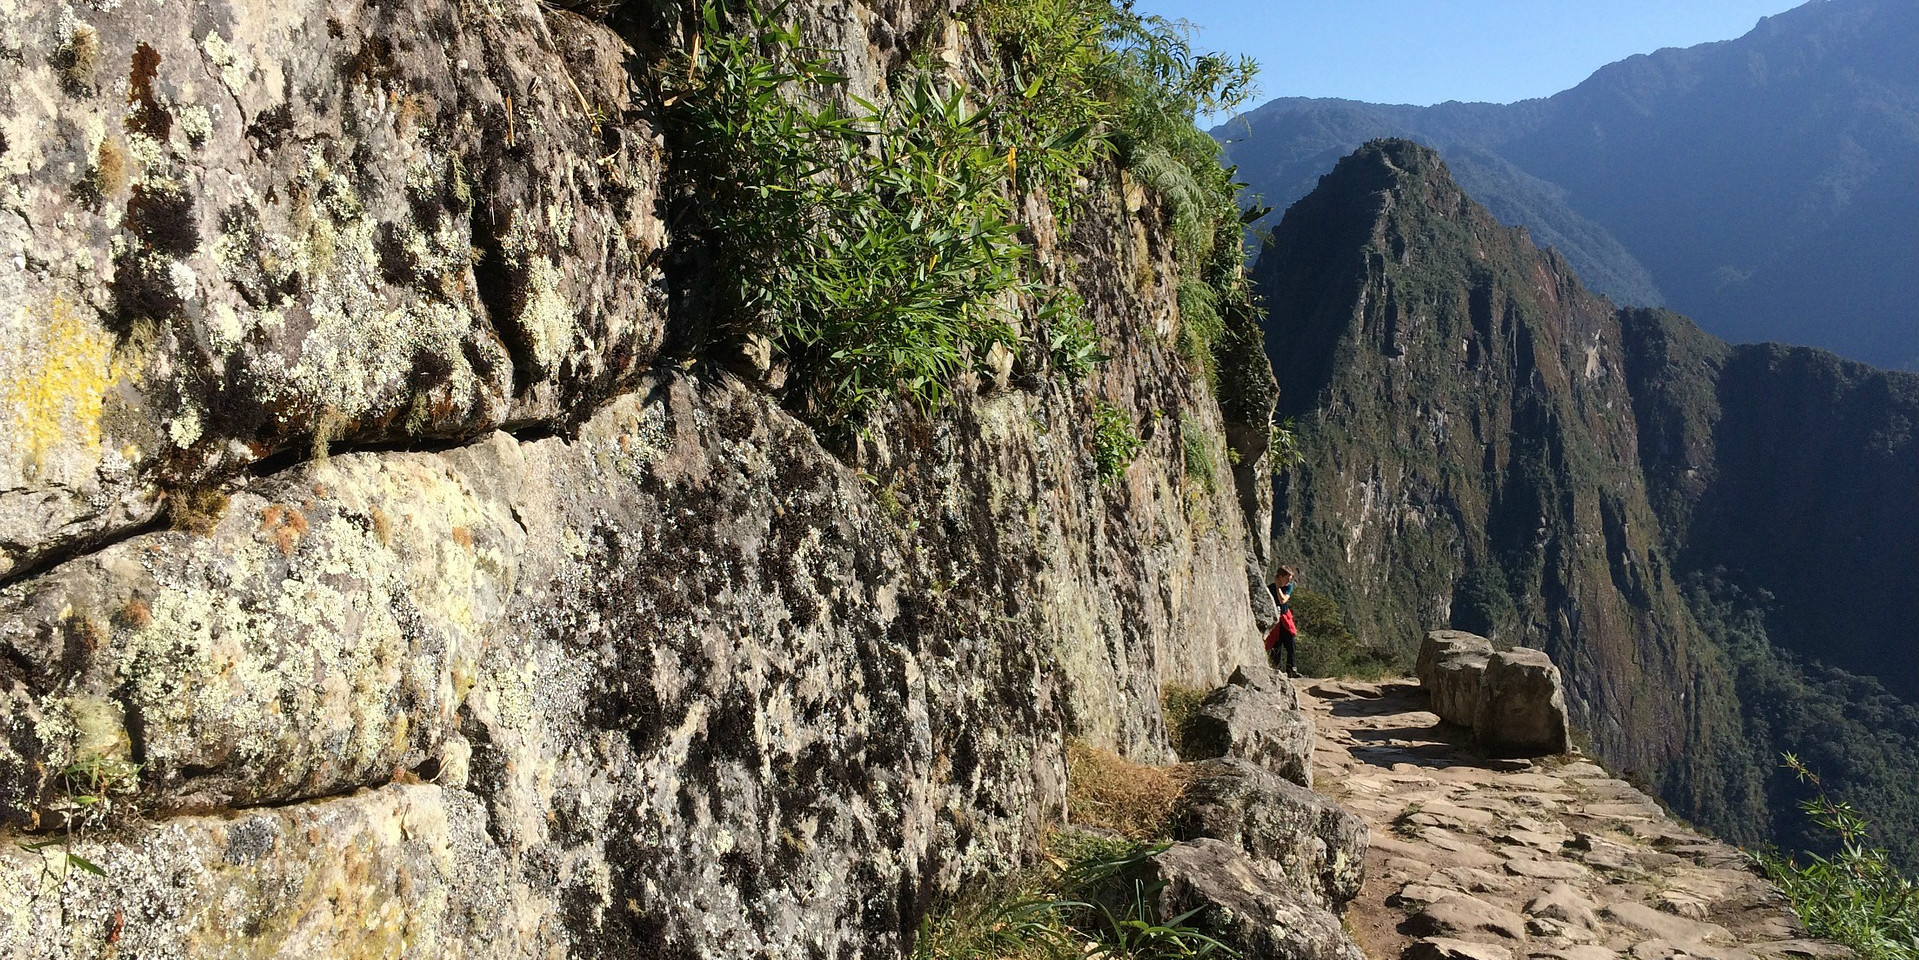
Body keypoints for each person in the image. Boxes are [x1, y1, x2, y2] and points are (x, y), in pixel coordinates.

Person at [1264, 565, 1299, 676]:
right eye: (1288, 578)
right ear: (1280, 577)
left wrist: (1278, 588)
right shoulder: (1269, 589)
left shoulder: (1288, 587)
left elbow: (1282, 600)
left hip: (1285, 618)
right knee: (1276, 645)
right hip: (1275, 620)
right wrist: (1277, 586)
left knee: (1291, 642)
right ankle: (1276, 669)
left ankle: (1291, 669)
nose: (1290, 580)